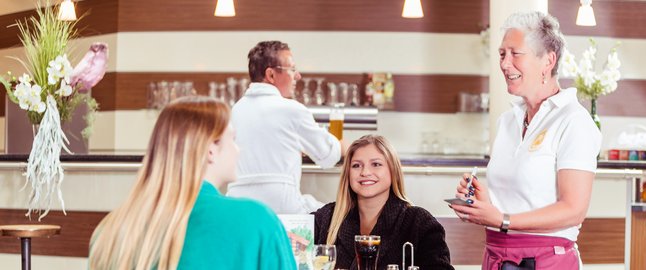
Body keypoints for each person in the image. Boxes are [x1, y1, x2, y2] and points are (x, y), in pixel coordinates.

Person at [449, 11, 601, 270]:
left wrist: (502, 219)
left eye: (515, 53)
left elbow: (573, 209)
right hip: (497, 255)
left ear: (548, 61)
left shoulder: (574, 121)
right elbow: (514, 202)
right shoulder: (508, 121)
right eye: (501, 54)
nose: (505, 64)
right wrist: (484, 204)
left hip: (546, 260)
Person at [89, 96, 296, 270]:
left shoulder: (109, 231)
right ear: (210, 150)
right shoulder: (257, 221)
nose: (238, 149)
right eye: (232, 139)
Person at [227, 40, 344, 214]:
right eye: (292, 69)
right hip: (281, 206)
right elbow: (328, 156)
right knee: (333, 216)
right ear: (271, 75)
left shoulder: (235, 110)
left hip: (236, 206)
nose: (298, 76)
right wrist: (343, 145)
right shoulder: (292, 109)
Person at [314, 135, 454, 270]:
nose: (365, 172)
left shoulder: (419, 222)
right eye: (356, 165)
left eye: (376, 164)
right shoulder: (325, 218)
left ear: (393, 171)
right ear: (348, 174)